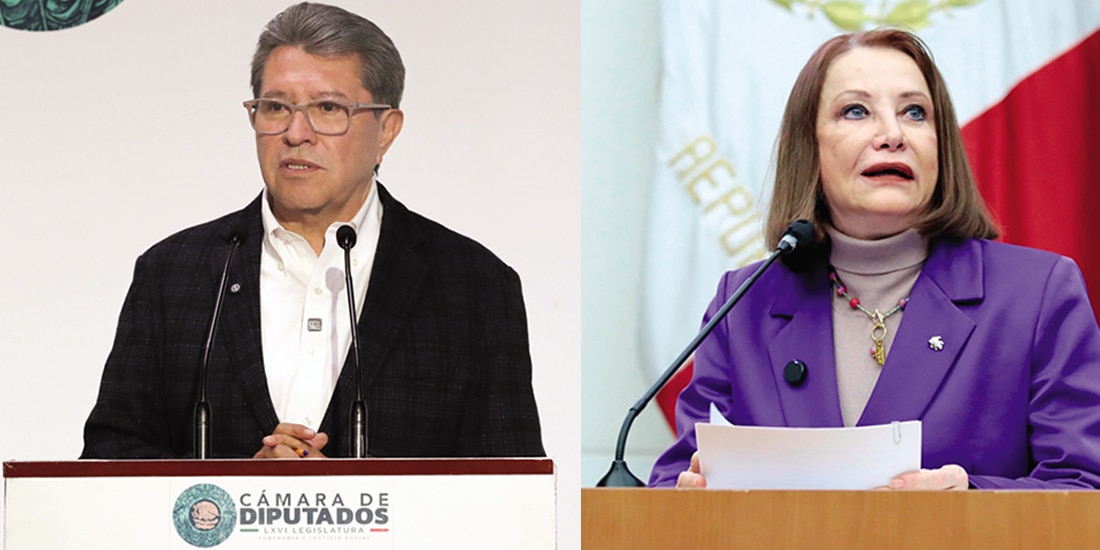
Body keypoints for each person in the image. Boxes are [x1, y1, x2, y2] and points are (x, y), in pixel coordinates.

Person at [81, 2, 543, 460]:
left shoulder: (474, 285)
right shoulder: (175, 273)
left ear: (387, 129)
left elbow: (511, 496)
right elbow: (110, 457)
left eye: (327, 108)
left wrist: (352, 511)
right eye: (276, 107)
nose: (296, 132)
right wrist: (239, 494)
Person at [649, 29, 1100, 489]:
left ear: (939, 145)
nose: (892, 134)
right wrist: (689, 499)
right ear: (810, 147)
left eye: (915, 113)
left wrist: (969, 501)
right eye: (856, 111)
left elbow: (1086, 487)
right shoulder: (744, 306)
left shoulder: (1037, 295)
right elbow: (676, 477)